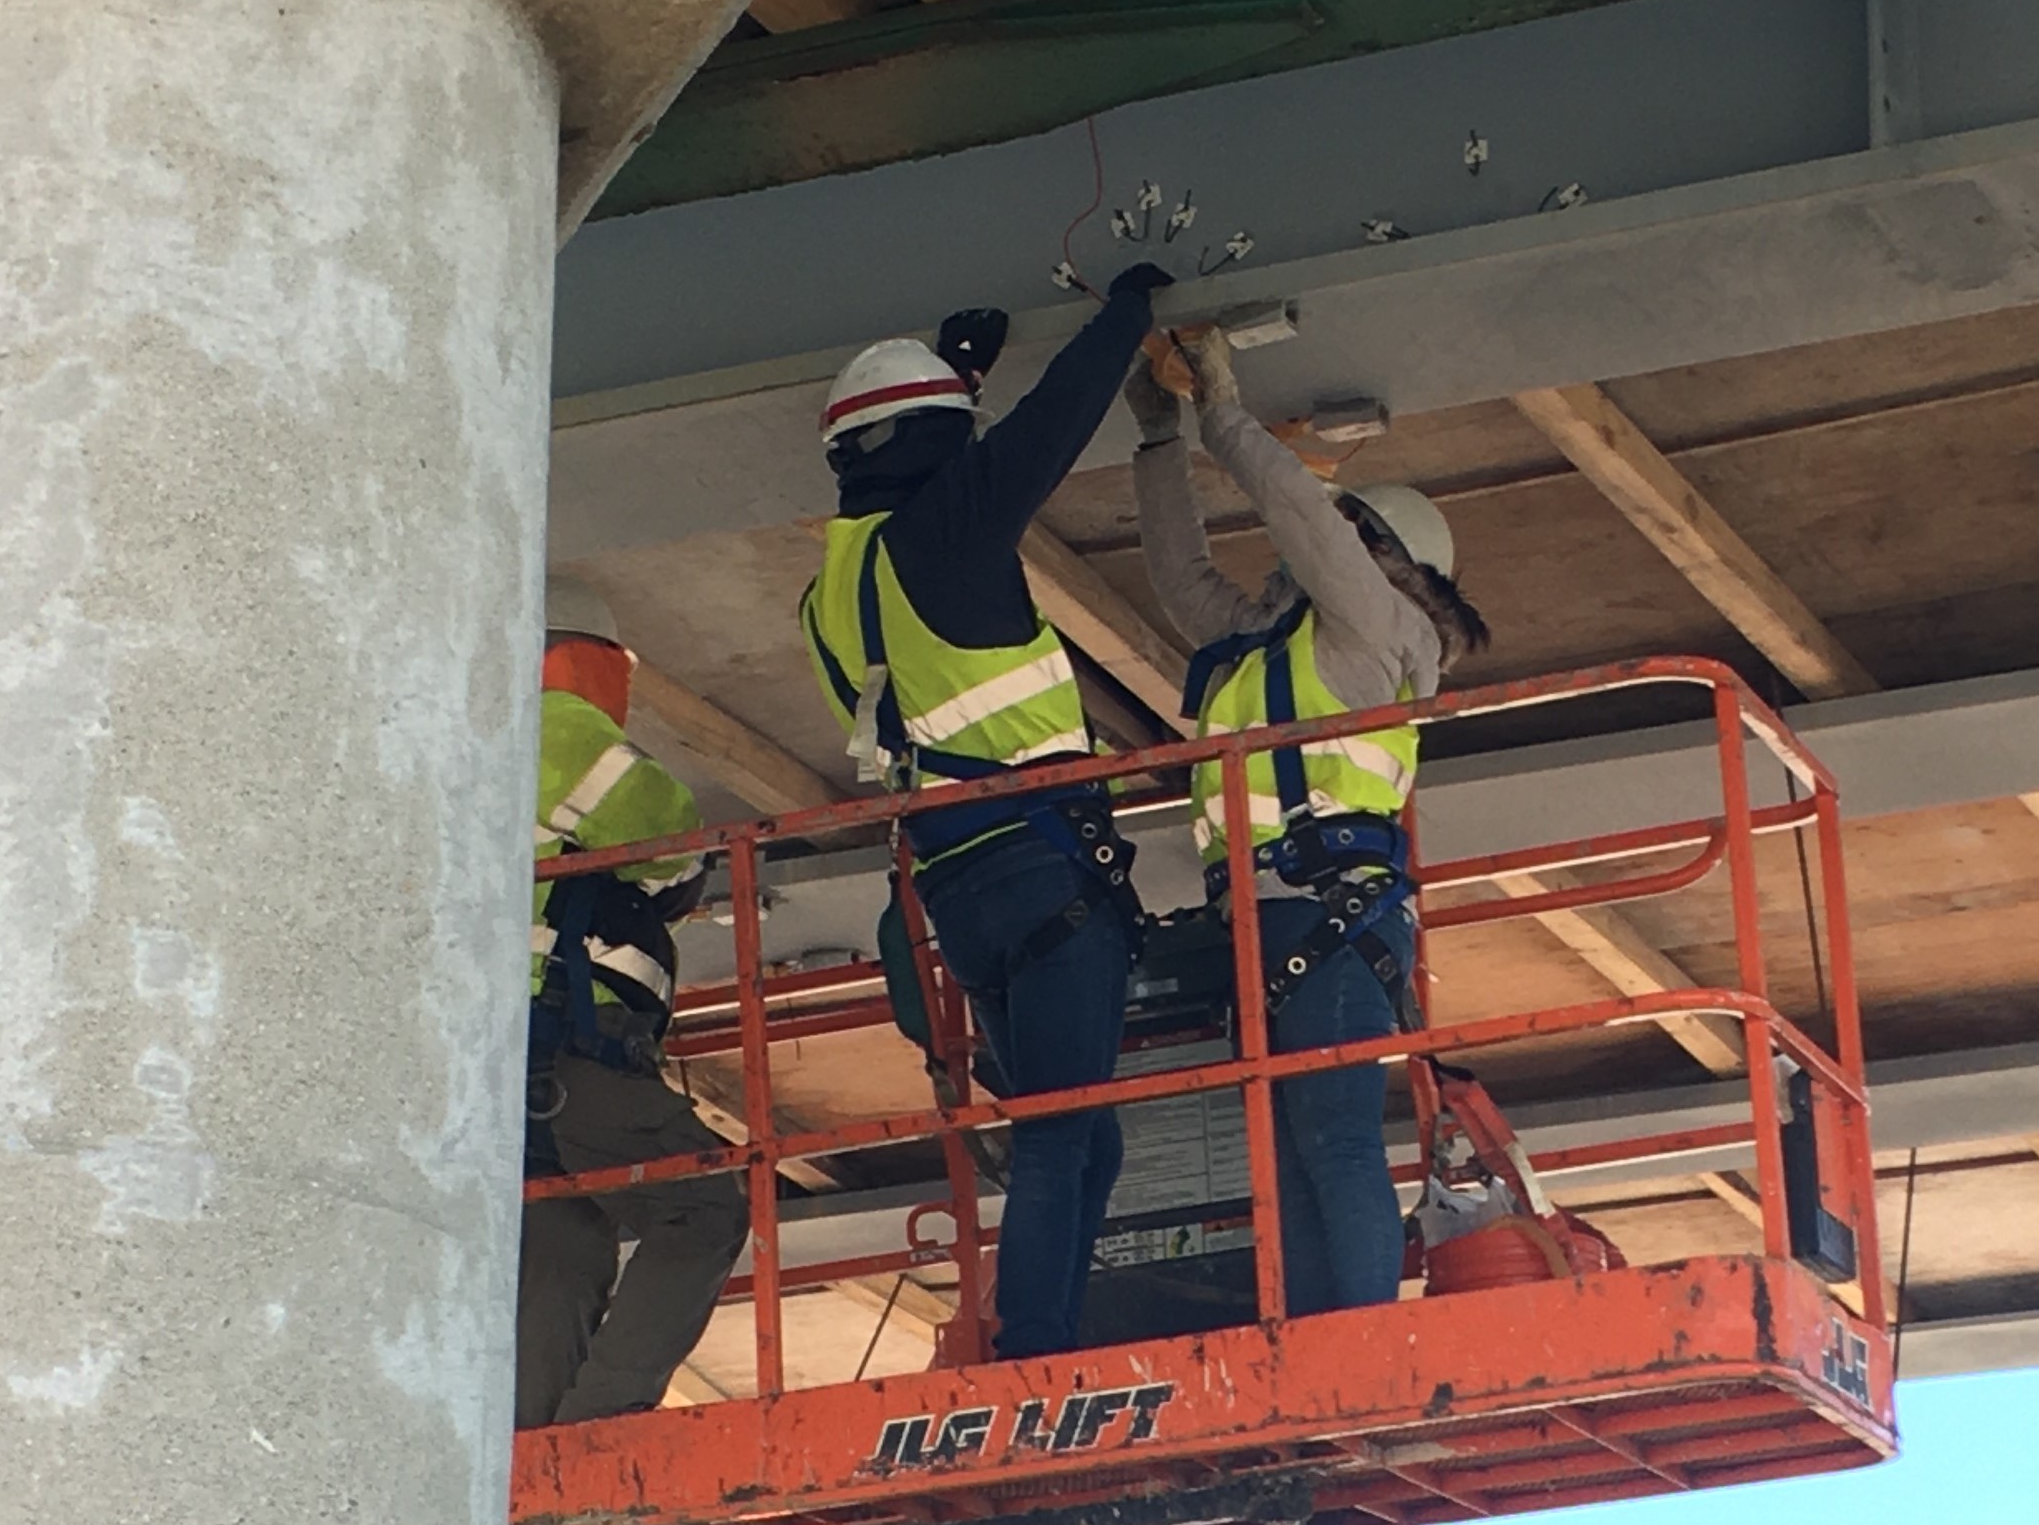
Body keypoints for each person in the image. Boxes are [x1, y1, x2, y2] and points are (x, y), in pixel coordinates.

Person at [801, 274, 1170, 1357]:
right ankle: (1038, 1346)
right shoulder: (947, 536)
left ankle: (1050, 1326)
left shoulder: (832, 591)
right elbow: (1046, 432)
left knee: (1080, 1138)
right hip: (1044, 872)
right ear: (929, 442)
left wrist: (957, 379)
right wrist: (1128, 311)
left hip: (958, 890)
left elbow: (926, 472)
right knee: (1066, 1132)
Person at [1128, 330, 1489, 1313]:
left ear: (1377, 553)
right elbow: (1178, 575)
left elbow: (1300, 521)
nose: (1306, 545)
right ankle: (1310, 1337)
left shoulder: (1379, 630)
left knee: (1329, 1139)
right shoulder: (1274, 642)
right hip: (1263, 923)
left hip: (1328, 919)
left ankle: (1357, 1334)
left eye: (1343, 529)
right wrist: (1158, 440)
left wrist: (1222, 409)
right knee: (1280, 1158)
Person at [518, 574, 749, 1426]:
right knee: (702, 1205)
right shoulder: (554, 723)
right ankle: (602, 1428)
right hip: (565, 1056)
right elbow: (670, 841)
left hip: (499, 1075)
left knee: (563, 1244)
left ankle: (529, 1465)